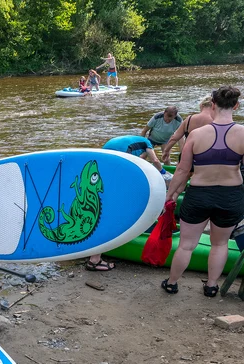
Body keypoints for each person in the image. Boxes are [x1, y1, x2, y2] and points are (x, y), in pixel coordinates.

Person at [161, 86, 244, 297]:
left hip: (198, 194)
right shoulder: (243, 134)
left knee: (187, 245)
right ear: (236, 105)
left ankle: (172, 283)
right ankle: (212, 286)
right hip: (230, 195)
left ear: (213, 105)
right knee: (220, 243)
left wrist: (170, 195)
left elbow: (181, 170)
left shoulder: (196, 134)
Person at [84, 135, 171, 271]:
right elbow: (154, 160)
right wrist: (163, 173)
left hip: (102, 163)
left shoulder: (131, 142)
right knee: (110, 212)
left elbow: (137, 161)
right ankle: (94, 260)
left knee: (106, 204)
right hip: (117, 164)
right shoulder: (147, 143)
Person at [161, 96, 214, 164]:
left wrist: (166, 151)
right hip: (205, 157)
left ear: (202, 105)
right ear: (213, 107)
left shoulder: (189, 119)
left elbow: (174, 138)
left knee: (181, 173)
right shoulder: (214, 121)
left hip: (186, 156)